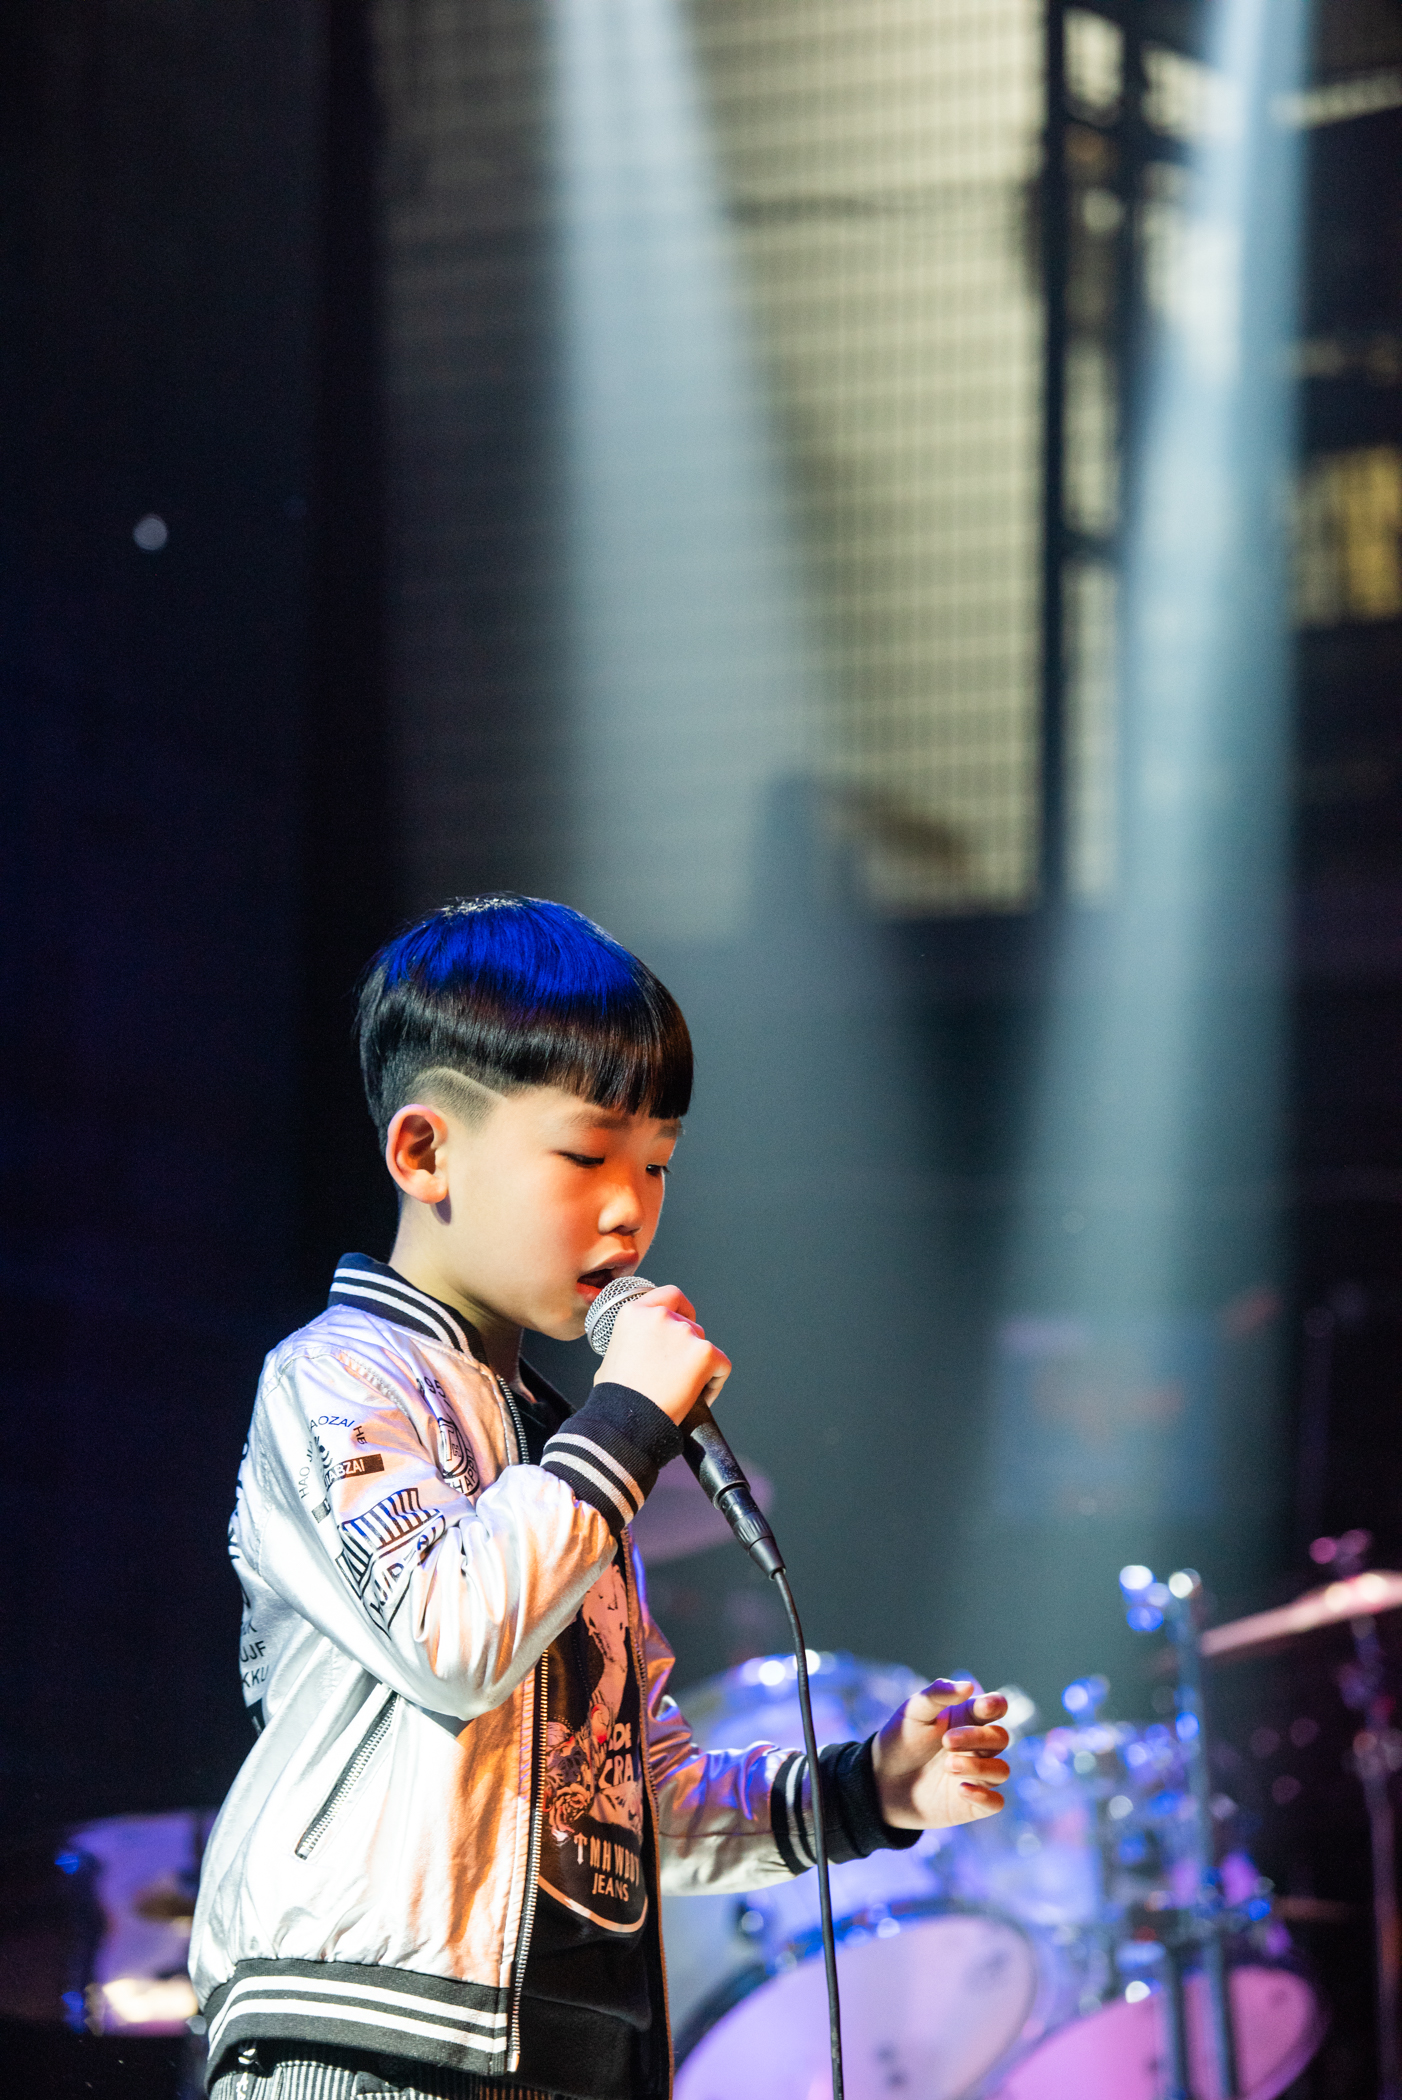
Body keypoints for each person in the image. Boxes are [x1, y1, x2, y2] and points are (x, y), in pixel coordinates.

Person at [190, 895, 1010, 2100]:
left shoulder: (558, 1455)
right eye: (585, 1157)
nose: (630, 1206)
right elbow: (450, 1634)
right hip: (368, 2037)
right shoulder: (340, 1376)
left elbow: (625, 1800)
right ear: (424, 1154)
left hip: (570, 2053)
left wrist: (867, 1789)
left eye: (656, 1164)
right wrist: (624, 1423)